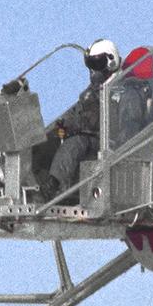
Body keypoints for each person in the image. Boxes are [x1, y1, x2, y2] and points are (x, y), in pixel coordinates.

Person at [41, 38, 120, 202]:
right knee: (49, 142)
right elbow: (78, 110)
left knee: (76, 142)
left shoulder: (119, 89)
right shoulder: (91, 92)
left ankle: (55, 186)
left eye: (97, 64)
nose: (93, 70)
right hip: (90, 136)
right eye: (90, 64)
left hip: (108, 142)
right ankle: (32, 181)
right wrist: (61, 126)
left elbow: (99, 120)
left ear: (111, 61)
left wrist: (75, 127)